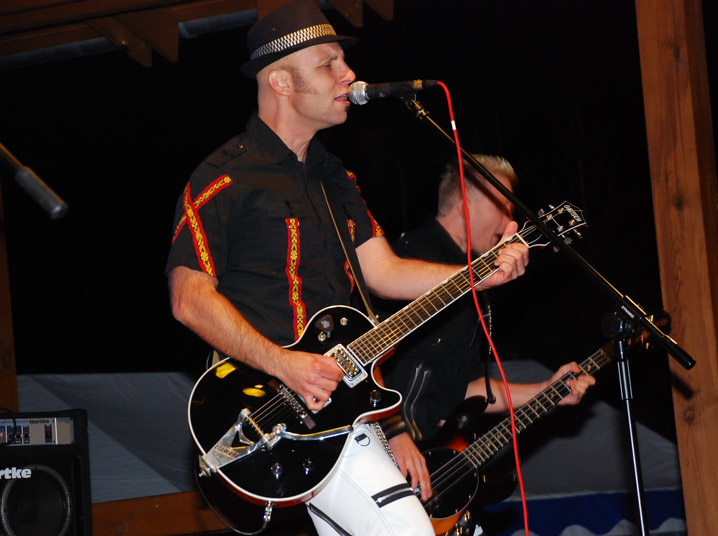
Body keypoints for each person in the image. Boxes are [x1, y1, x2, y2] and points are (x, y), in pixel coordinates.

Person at [165, 2, 528, 535]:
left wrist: (480, 274)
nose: (348, 74)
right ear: (281, 81)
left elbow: (383, 272)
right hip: (267, 411)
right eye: (328, 63)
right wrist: (282, 363)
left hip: (341, 407)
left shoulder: (337, 178)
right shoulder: (223, 177)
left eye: (343, 61)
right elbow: (188, 298)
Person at [378, 154, 596, 504]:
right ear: (465, 204)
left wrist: (546, 390)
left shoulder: (475, 286)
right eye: (504, 207)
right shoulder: (407, 260)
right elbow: (365, 361)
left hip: (422, 463)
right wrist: (393, 431)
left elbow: (464, 388)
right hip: (379, 448)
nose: (512, 221)